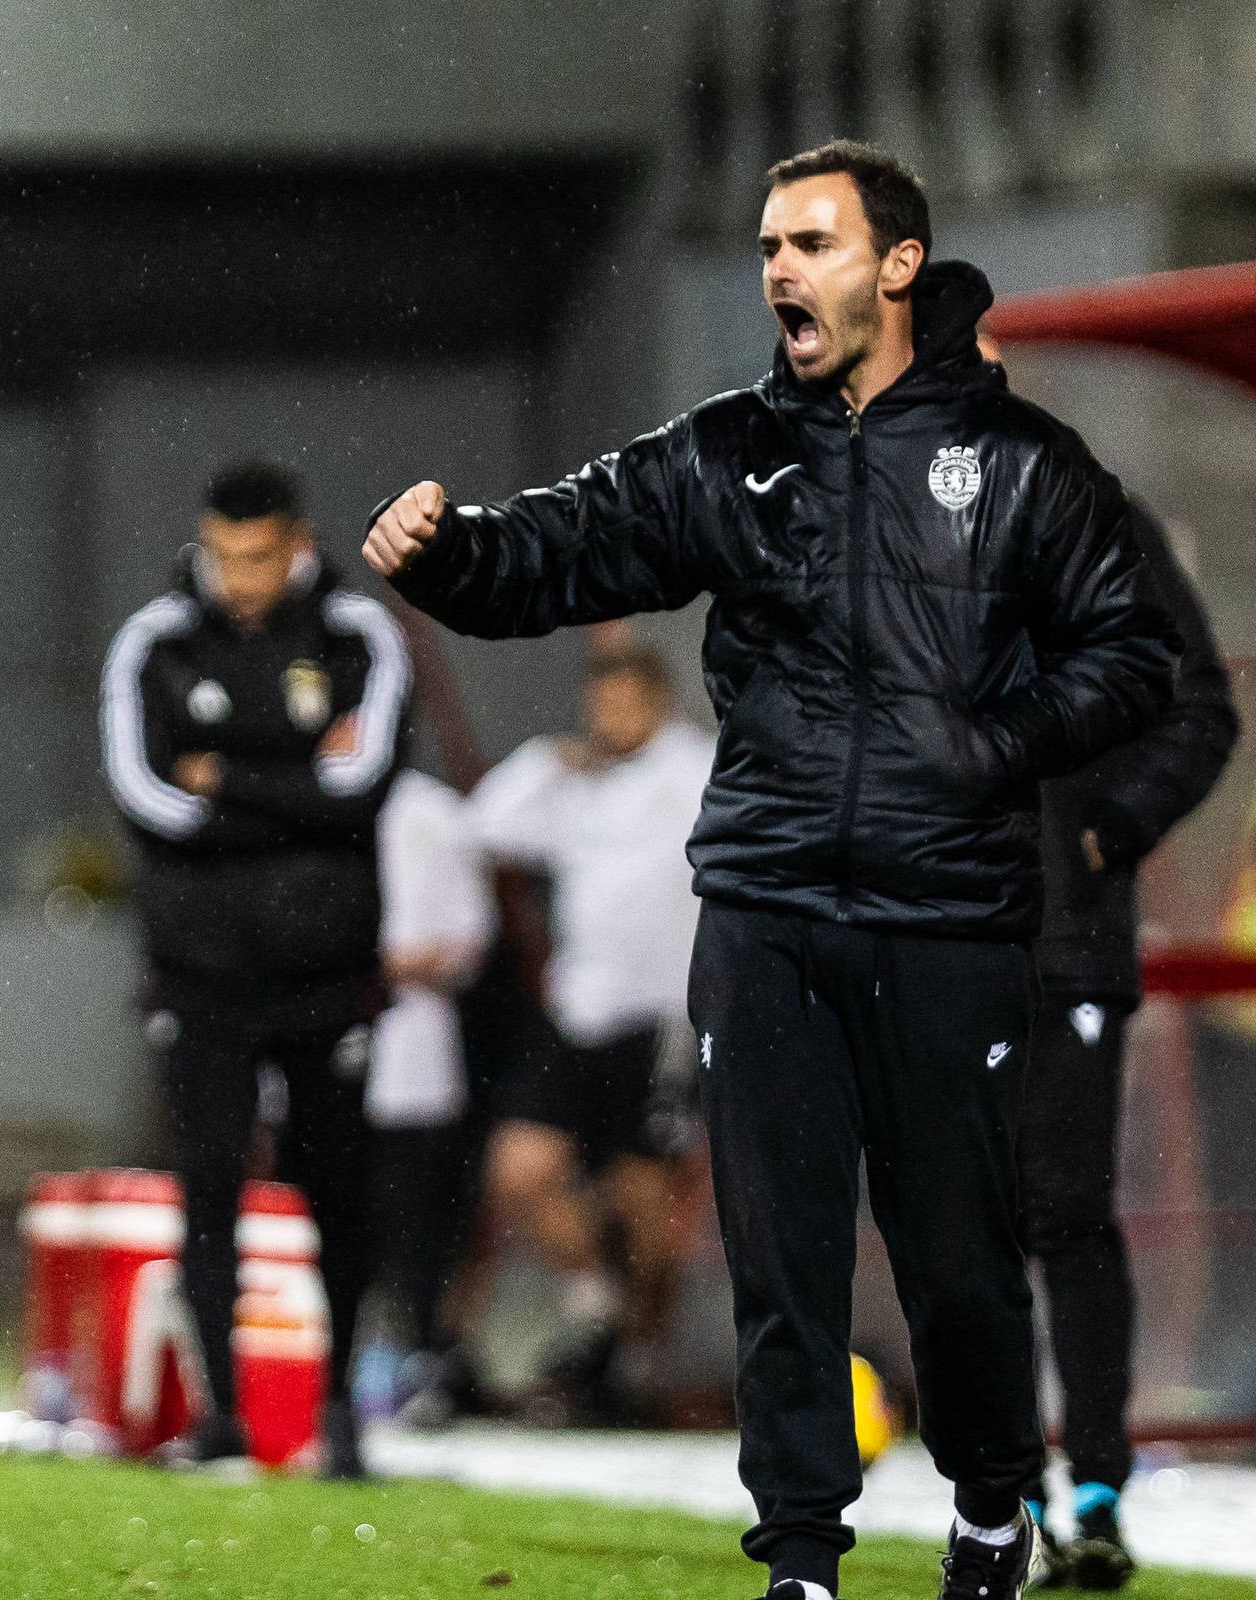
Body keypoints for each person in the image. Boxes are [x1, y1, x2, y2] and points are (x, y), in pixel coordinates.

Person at [364, 139, 1175, 1600]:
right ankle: (801, 1560)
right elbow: (568, 547)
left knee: (958, 1264)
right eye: (768, 249)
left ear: (898, 265)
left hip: (950, 917)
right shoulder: (728, 450)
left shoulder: (1020, 462)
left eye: (811, 243)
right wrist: (450, 556)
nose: (780, 272)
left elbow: (1135, 657)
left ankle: (993, 1507)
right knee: (780, 1259)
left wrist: (991, 743)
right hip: (767, 907)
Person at [100, 458, 409, 1478]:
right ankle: (220, 1416)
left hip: (327, 968)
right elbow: (145, 800)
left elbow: (362, 789)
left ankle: (340, 1411)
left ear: (298, 545)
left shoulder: (358, 635)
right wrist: (297, 787)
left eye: (260, 556)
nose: (240, 577)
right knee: (209, 1188)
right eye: (224, 556)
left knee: (339, 1189)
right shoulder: (154, 642)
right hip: (201, 971)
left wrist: (224, 776)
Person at [1023, 496, 1237, 1587]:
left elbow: (1200, 706)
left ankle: (1098, 1490)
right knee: (958, 1229)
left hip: (1063, 940)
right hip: (926, 944)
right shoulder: (877, 505)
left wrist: (1109, 828)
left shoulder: (1088, 512)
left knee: (1064, 1214)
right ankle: (1003, 1500)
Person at [464, 642, 714, 1424]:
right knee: (519, 1168)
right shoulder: (575, 783)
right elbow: (485, 825)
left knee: (643, 1205)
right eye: (600, 705)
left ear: (658, 703)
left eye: (626, 703)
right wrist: (546, 759)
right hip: (577, 1013)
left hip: (660, 1019)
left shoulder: (695, 772)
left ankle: (636, 1362)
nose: (611, 719)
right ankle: (594, 1303)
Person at [364, 766, 493, 1414]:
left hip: (410, 1049)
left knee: (418, 1220)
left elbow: (469, 939)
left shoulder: (431, 812)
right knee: (332, 1212)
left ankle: (423, 1355)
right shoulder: (292, 794)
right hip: (319, 1043)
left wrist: (374, 963)